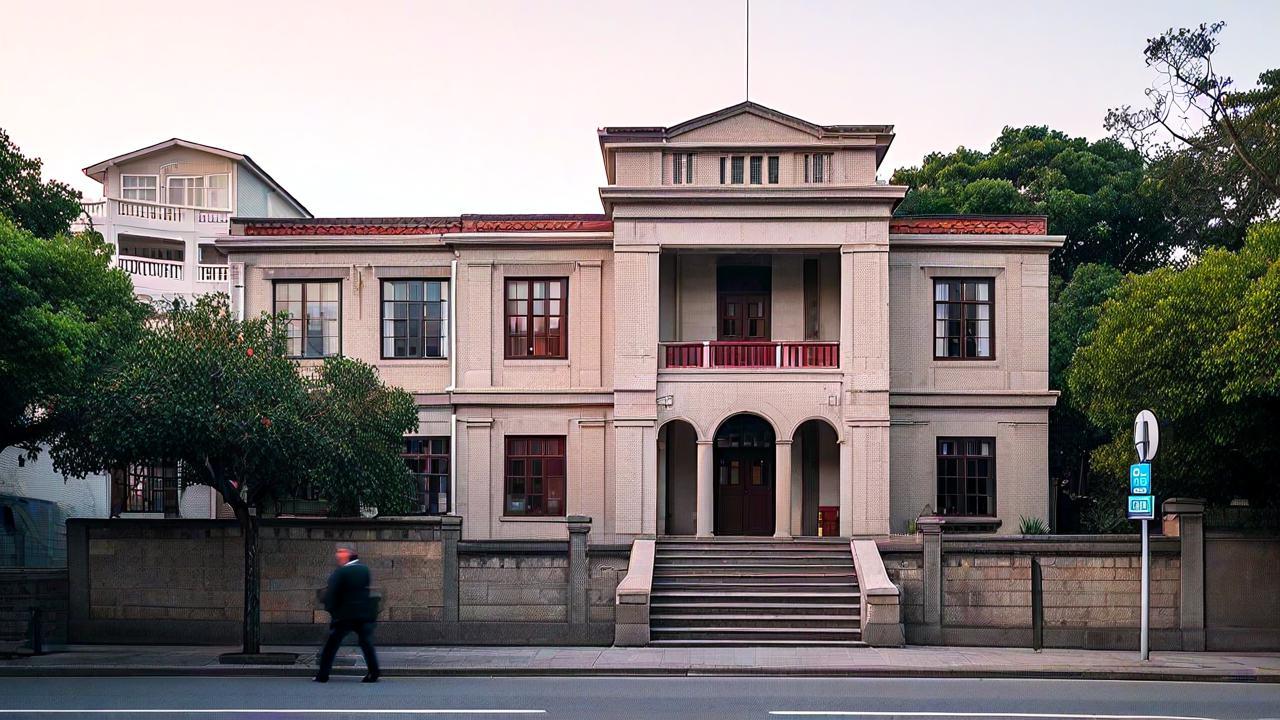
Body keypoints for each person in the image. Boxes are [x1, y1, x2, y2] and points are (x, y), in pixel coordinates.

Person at [313, 546, 380, 683]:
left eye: (340, 553)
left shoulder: (341, 572)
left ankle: (323, 675)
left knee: (331, 646)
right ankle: (373, 672)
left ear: (348, 556)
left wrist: (332, 610)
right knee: (366, 644)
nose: (338, 556)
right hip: (363, 614)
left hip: (344, 616)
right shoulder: (364, 569)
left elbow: (332, 593)